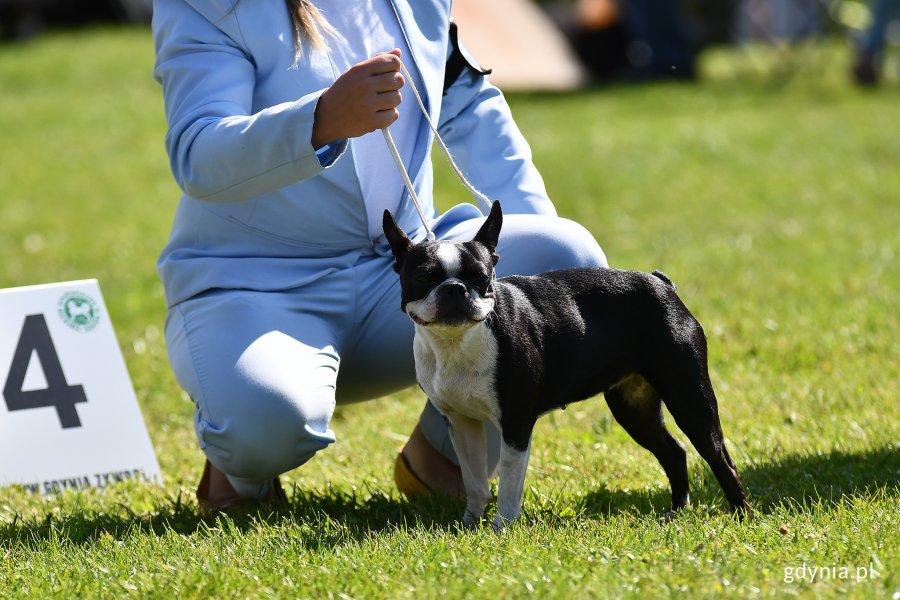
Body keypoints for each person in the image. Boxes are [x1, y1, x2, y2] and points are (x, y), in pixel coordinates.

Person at [152, 0, 608, 515]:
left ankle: (443, 458)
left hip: (404, 276)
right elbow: (196, 153)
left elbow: (467, 105)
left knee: (569, 265)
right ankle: (239, 467)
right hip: (258, 290)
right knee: (265, 421)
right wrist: (319, 120)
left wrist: (538, 240)